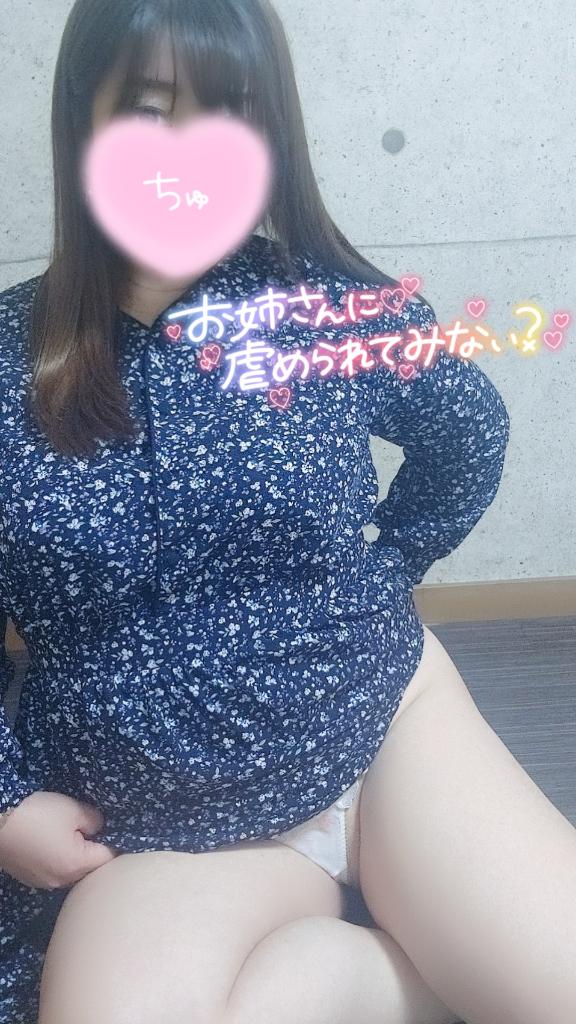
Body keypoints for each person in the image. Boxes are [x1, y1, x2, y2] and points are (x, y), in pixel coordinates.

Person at [0, 1, 575, 1023]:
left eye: (231, 113)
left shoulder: (323, 308)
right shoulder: (12, 354)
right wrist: (4, 797)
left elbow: (468, 433)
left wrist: (388, 569)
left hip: (383, 726)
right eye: (150, 110)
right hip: (164, 820)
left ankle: (388, 941)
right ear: (82, 116)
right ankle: (394, 963)